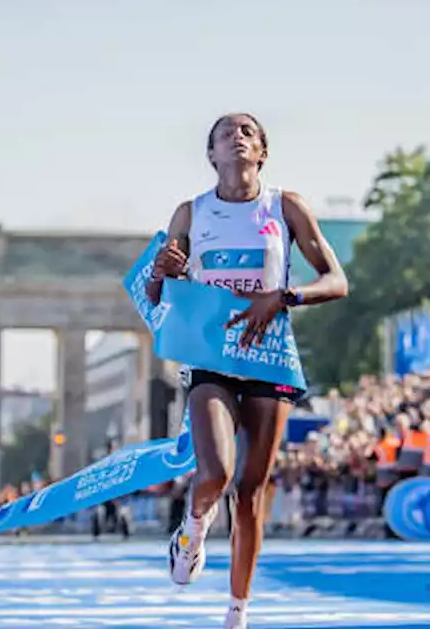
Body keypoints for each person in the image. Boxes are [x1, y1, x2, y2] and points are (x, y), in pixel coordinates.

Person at [147, 113, 348, 629]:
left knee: (251, 489)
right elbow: (158, 298)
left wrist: (283, 297)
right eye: (223, 134)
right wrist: (161, 271)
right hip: (212, 356)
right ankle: (192, 529)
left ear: (262, 152)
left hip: (269, 354)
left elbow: (337, 280)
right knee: (214, 472)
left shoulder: (286, 206)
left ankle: (237, 611)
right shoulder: (191, 214)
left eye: (247, 133)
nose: (236, 138)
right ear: (211, 155)